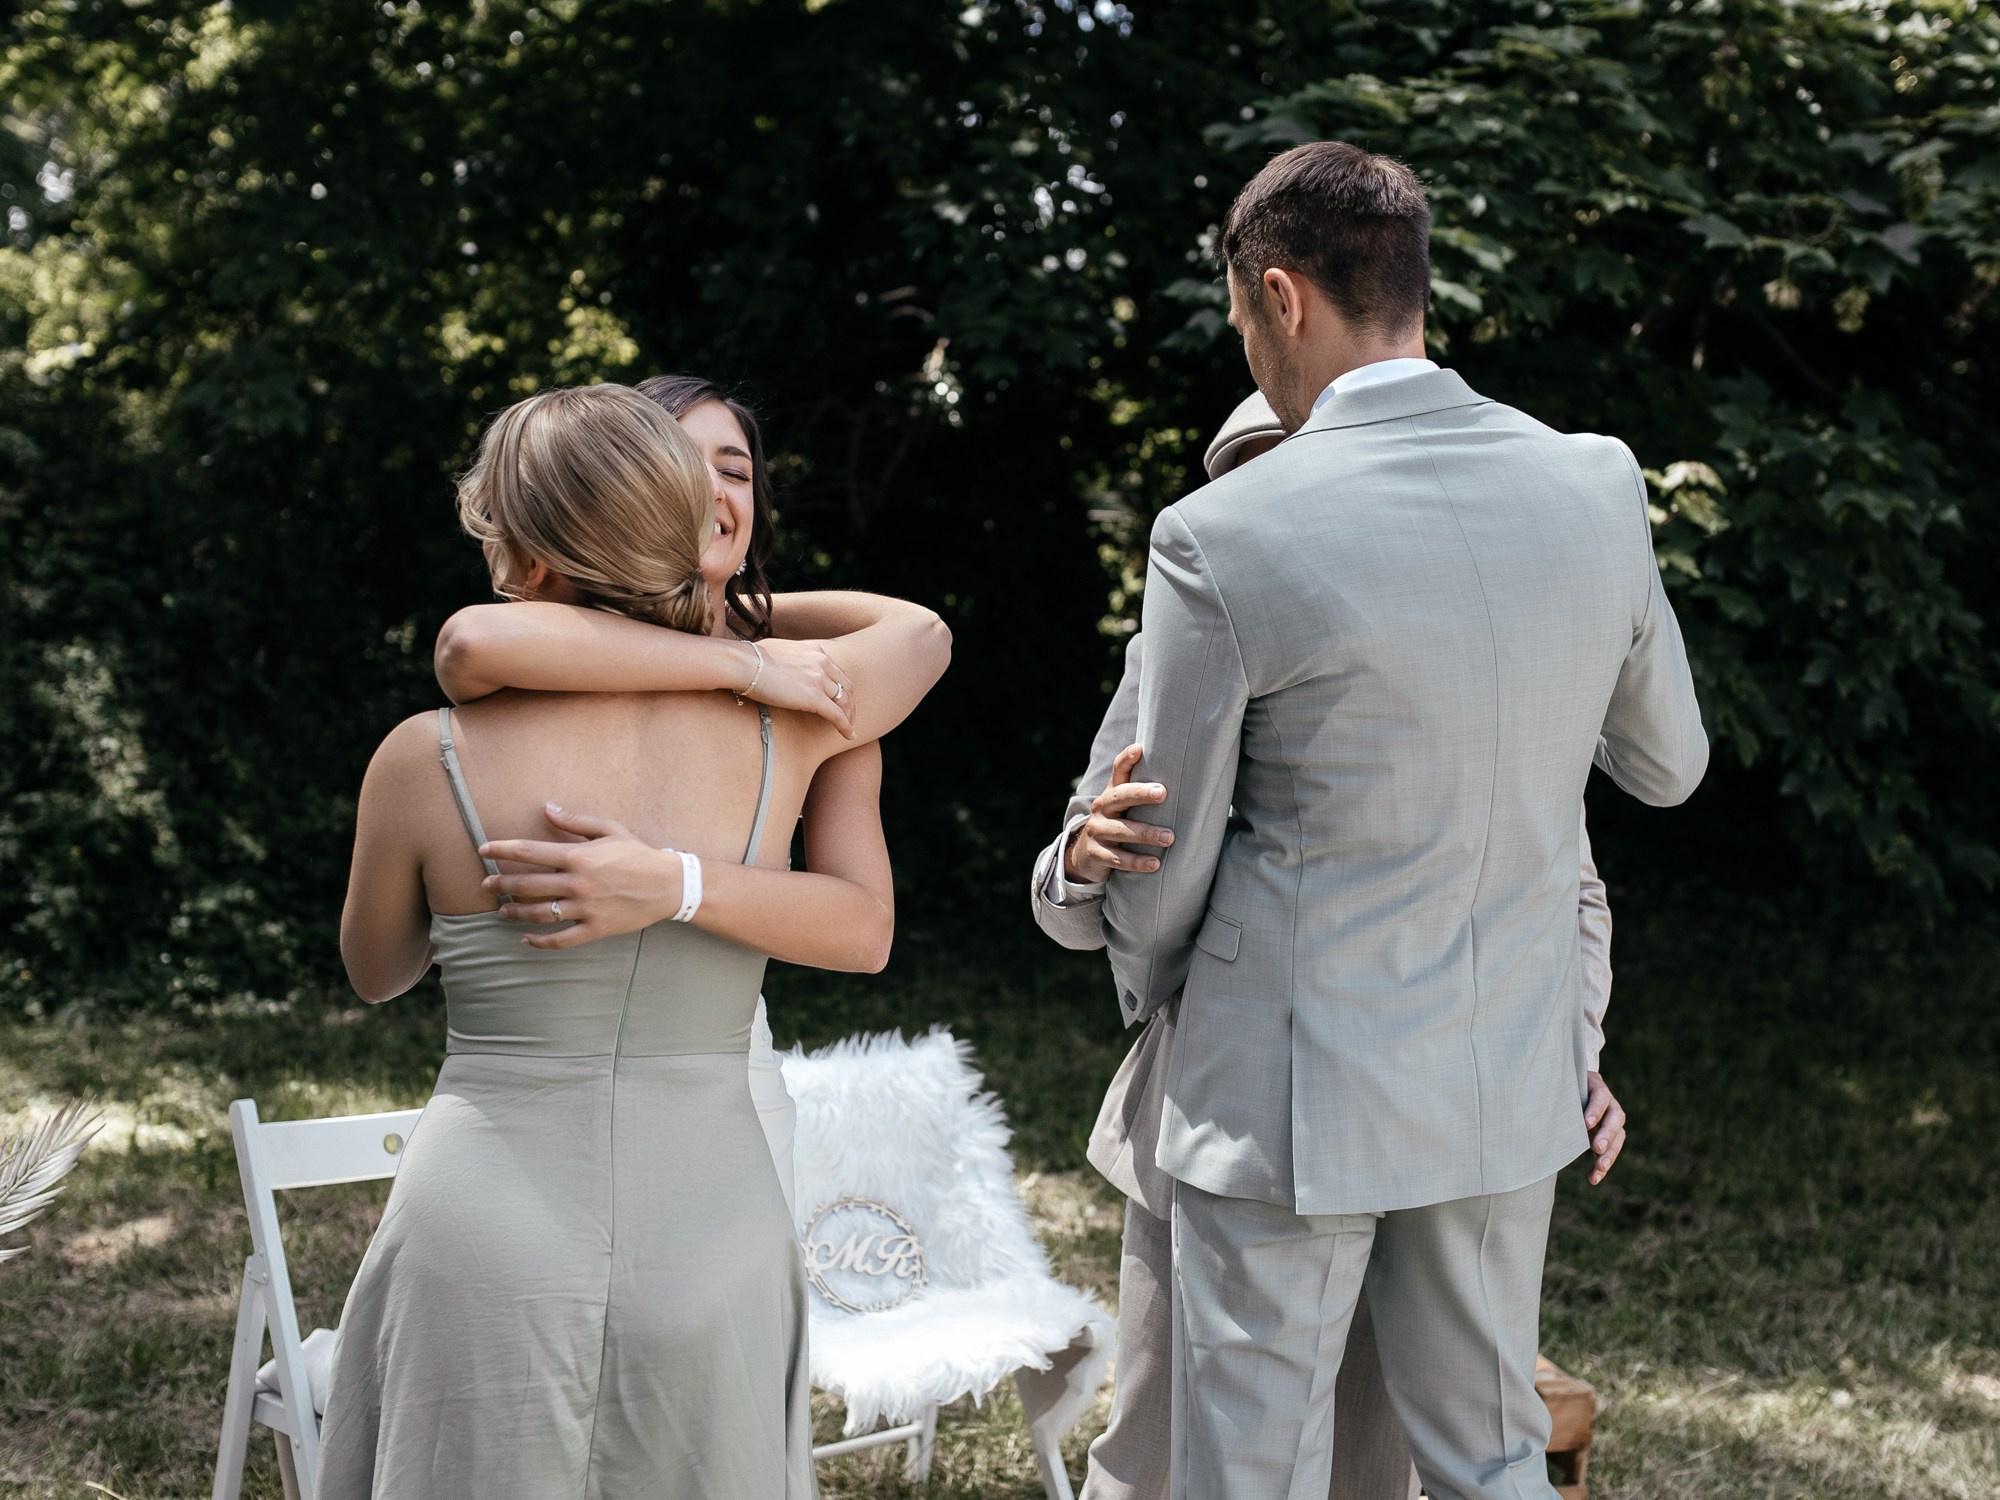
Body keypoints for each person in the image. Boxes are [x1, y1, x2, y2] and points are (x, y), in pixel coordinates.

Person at [1100, 143, 1706, 1500]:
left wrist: (1135, 967)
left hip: (1280, 1093)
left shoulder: (1224, 531)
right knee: (1492, 1460)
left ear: (1280, 296)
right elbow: (1668, 766)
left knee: (1246, 1472)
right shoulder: (1596, 481)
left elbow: (1164, 857)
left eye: (1245, 321)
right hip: (1502, 1071)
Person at [320, 383, 948, 1499]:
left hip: (482, 1214)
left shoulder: (424, 756)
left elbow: (377, 974)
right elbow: (913, 642)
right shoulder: (800, 727)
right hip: (716, 1218)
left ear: (519, 551)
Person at [1030, 393, 1625, 1500]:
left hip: (1439, 1127)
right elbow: (1074, 891)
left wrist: (1571, 1050)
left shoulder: (1463, 678)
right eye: (1255, 475)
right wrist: (1080, 862)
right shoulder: (1171, 644)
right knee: (1162, 1455)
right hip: (1223, 1124)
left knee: (1373, 1463)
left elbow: (1569, 890)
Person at [429, 372, 945, 1215]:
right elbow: (470, 641)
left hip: (723, 1102)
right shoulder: (541, 656)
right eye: (673, 459)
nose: (710, 488)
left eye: (734, 470)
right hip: (527, 1115)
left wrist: (744, 625)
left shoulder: (813, 694)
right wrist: (740, 657)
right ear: (617, 486)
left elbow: (921, 634)